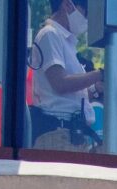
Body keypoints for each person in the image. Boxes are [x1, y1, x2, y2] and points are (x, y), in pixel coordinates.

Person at [28, 0, 100, 147]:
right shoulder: (49, 34)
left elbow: (71, 95)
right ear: (67, 5)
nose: (86, 19)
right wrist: (99, 74)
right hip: (57, 132)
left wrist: (94, 89)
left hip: (70, 133)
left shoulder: (66, 41)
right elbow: (60, 83)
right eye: (85, 11)